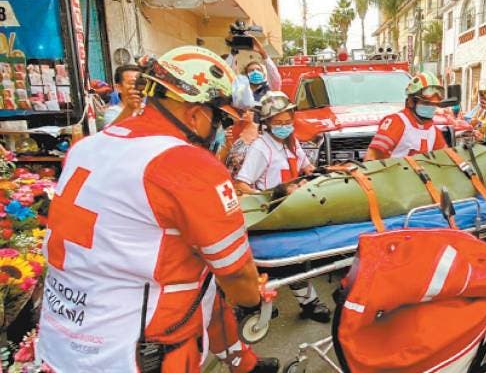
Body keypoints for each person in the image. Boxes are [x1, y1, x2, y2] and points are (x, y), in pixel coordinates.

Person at [38, 46, 279, 373]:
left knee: (201, 280)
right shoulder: (187, 164)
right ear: (196, 114)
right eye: (221, 119)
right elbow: (236, 273)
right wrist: (253, 300)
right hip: (135, 352)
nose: (221, 131)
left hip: (62, 336)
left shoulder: (87, 147)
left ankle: (243, 363)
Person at [234, 91, 331, 323]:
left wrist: (319, 173)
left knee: (297, 259)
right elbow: (242, 184)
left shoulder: (291, 143)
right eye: (278, 123)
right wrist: (268, 198)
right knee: (289, 260)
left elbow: (306, 167)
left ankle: (260, 302)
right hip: (272, 212)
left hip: (293, 208)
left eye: (288, 121)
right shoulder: (261, 148)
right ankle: (305, 303)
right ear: (267, 123)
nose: (284, 126)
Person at [366, 72, 448, 160]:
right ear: (411, 101)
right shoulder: (396, 122)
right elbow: (372, 157)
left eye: (434, 104)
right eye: (426, 103)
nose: (431, 107)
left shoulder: (434, 131)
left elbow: (445, 159)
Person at [244, 39, 282, 103]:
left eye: (258, 70)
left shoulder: (270, 89)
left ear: (263, 74)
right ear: (246, 75)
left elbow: (274, 76)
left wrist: (263, 54)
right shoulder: (244, 93)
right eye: (251, 70)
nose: (255, 72)